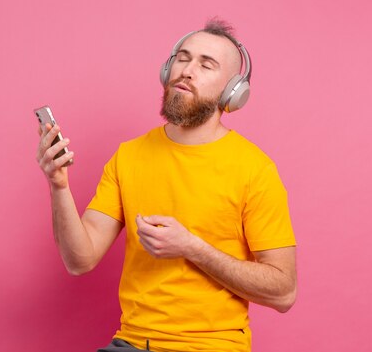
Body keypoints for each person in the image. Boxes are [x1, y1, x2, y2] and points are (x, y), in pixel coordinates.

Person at [36, 19, 297, 352]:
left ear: (233, 91)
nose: (187, 70)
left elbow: (284, 292)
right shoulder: (129, 156)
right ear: (166, 71)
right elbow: (79, 259)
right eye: (183, 58)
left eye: (206, 64)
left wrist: (192, 247)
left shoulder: (255, 170)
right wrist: (58, 186)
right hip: (131, 342)